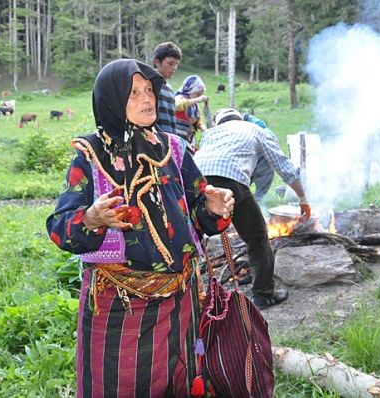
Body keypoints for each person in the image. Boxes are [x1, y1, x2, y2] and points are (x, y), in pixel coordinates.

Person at [46, 59, 234, 398]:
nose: (146, 99)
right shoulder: (91, 156)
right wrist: (91, 218)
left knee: (180, 380)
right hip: (119, 308)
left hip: (181, 302)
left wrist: (212, 206)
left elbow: (197, 211)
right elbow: (60, 227)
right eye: (133, 93)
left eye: (149, 90)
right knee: (118, 385)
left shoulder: (174, 149)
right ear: (111, 99)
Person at [194, 108, 312, 310]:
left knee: (194, 239)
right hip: (231, 181)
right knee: (257, 239)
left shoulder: (210, 133)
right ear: (240, 118)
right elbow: (284, 167)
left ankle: (194, 296)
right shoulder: (255, 129)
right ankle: (264, 294)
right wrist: (302, 199)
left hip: (197, 185)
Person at [153, 42, 181, 135]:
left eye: (176, 64)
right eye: (170, 63)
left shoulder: (169, 89)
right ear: (157, 62)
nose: (174, 68)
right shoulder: (149, 85)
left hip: (169, 141)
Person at [175, 75, 209, 152]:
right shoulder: (179, 98)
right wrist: (198, 99)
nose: (198, 97)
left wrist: (204, 129)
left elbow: (198, 120)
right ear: (191, 90)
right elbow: (178, 105)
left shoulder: (194, 106)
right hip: (177, 138)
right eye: (197, 94)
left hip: (189, 139)